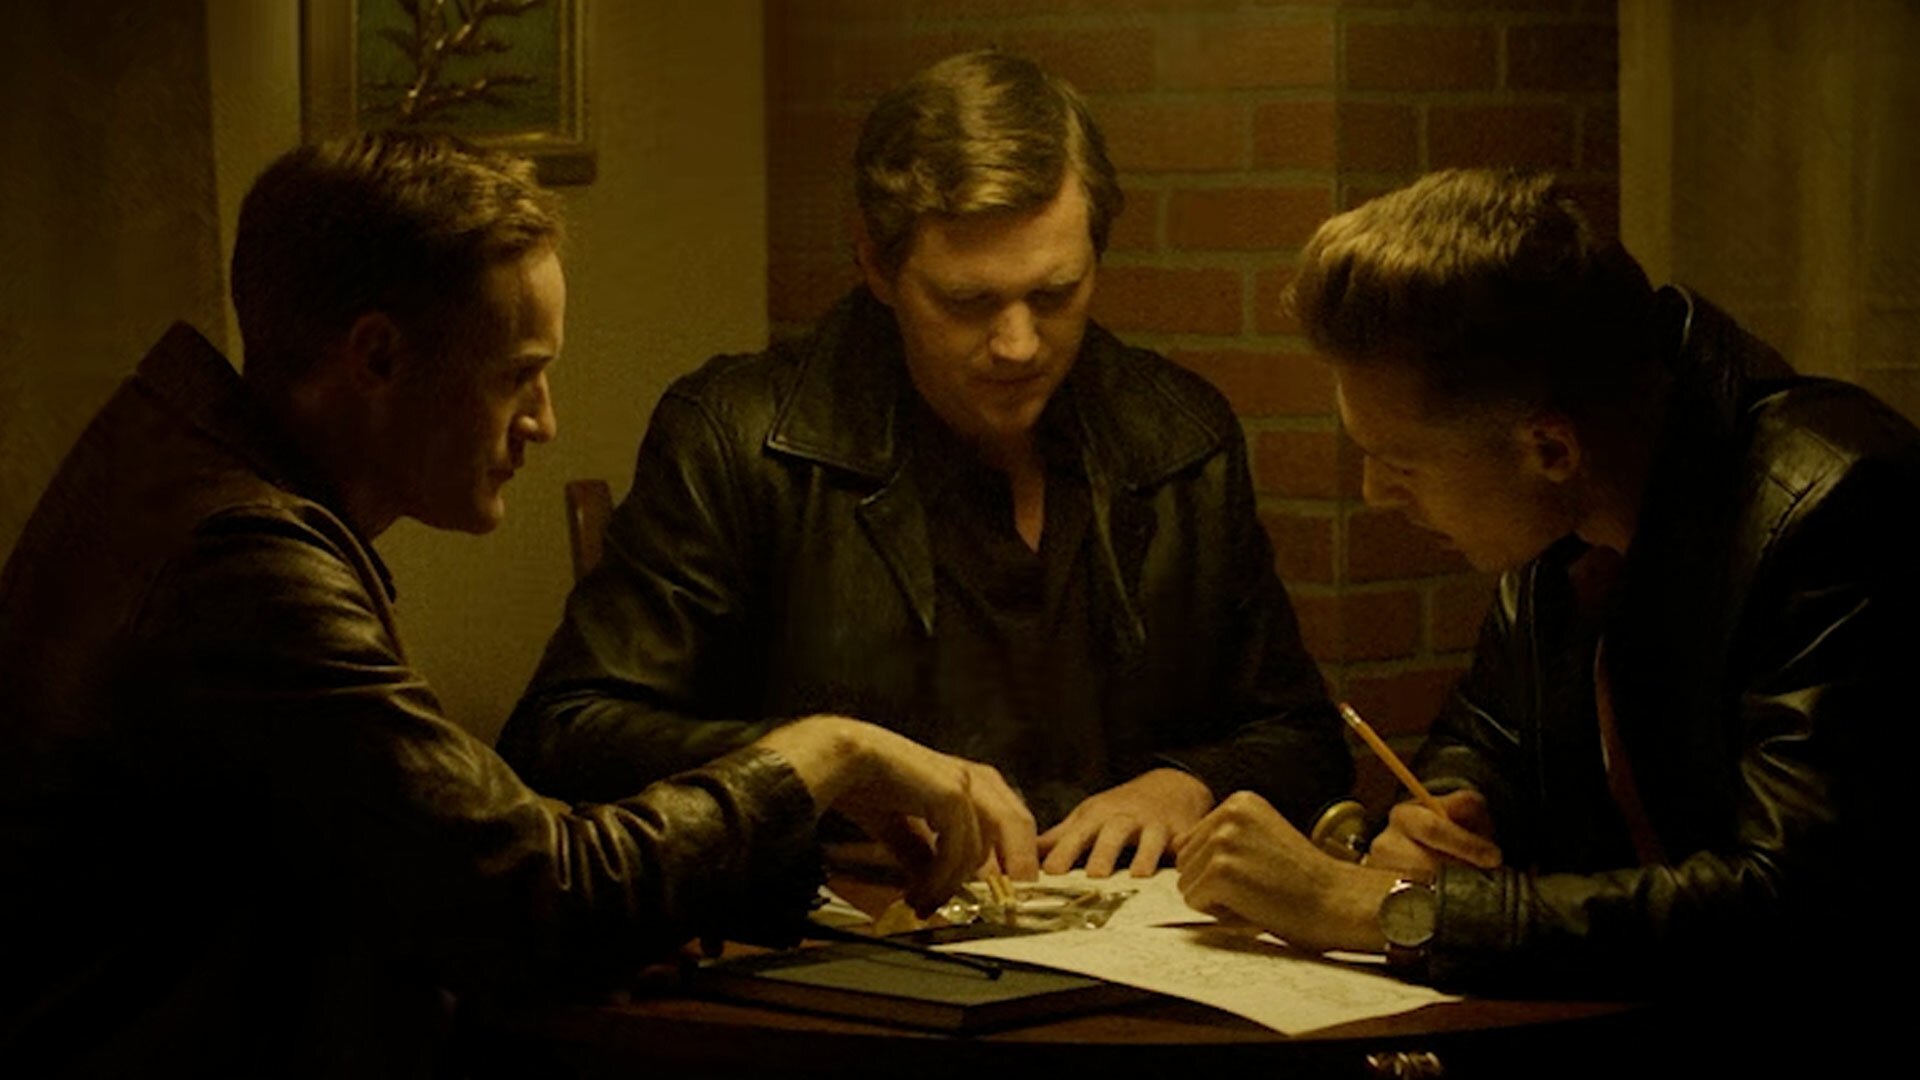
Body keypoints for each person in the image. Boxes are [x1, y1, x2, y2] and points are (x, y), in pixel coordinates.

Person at [0, 133, 1015, 1076]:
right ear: (377, 357)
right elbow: (538, 903)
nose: (544, 422)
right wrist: (828, 753)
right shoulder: (244, 565)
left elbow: (441, 850)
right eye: (520, 375)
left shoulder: (178, 472)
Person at [500, 50, 1352, 880]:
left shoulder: (1179, 438)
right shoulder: (738, 438)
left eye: (1055, 294)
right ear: (875, 262)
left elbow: (1306, 739)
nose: (1018, 345)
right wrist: (831, 764)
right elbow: (563, 737)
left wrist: (1191, 784)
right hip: (855, 933)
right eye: (967, 301)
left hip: (1130, 940)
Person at [1175, 169, 1913, 1020]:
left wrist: (1377, 908)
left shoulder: (1839, 512)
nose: (1375, 494)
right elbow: (1485, 735)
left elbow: (1789, 903)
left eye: (1400, 463)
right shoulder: (1564, 526)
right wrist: (1450, 812)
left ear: (1551, 450)